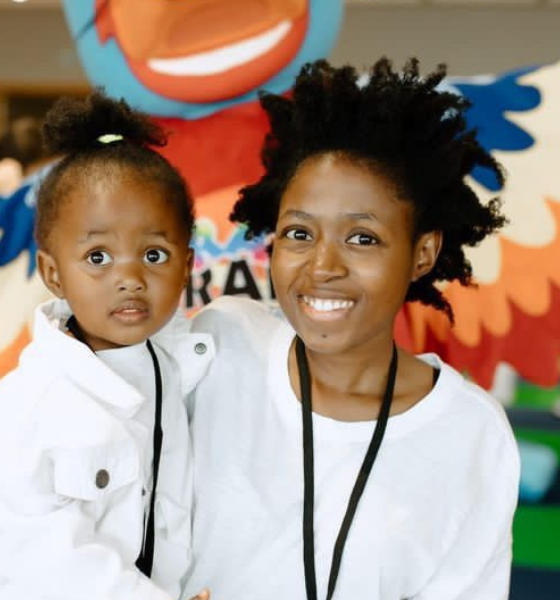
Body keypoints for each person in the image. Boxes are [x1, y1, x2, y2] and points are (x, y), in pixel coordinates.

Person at [182, 59, 521, 600]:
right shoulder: (218, 348)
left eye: (362, 238)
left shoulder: (469, 431)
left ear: (422, 253)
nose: (322, 266)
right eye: (298, 233)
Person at [0, 91, 214, 600]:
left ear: (187, 266)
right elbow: (51, 561)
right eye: (98, 257)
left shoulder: (181, 366)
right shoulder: (23, 409)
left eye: (153, 253)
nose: (130, 278)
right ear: (53, 273)